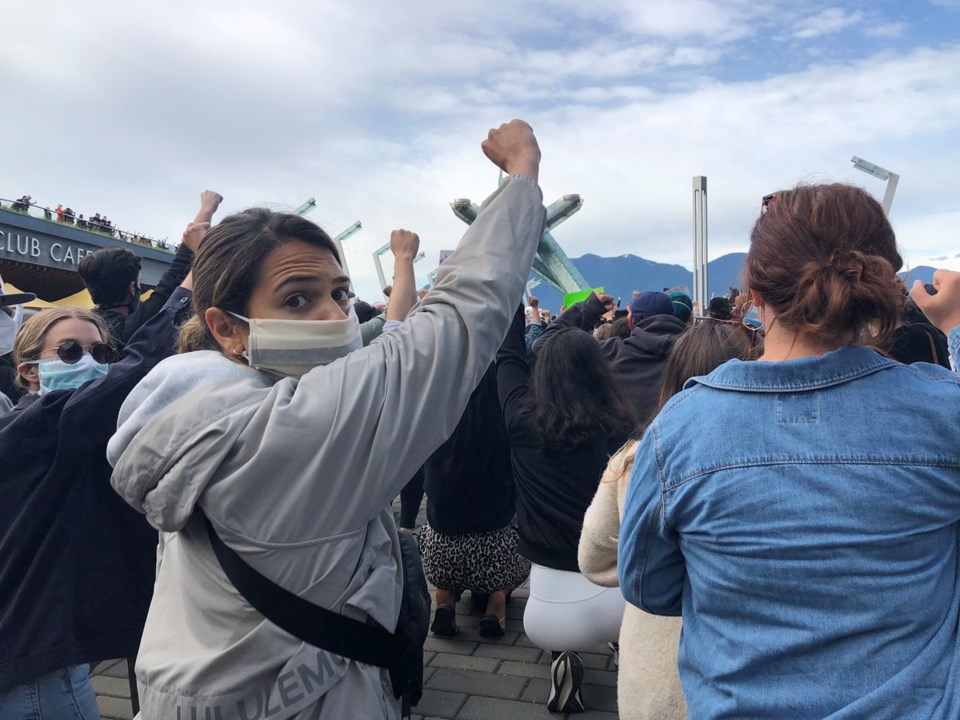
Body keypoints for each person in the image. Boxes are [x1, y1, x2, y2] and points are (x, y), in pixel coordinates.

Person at [105, 120, 545, 720]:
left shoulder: (190, 408)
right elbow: (455, 324)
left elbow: (397, 341)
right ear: (228, 327)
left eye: (339, 293)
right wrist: (520, 177)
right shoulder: (284, 434)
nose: (333, 315)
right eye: (296, 298)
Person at [619, 183, 960, 719]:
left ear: (753, 292)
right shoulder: (943, 416)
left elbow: (649, 587)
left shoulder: (681, 430)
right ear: (880, 286)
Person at [0, 268, 195, 717]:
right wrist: (189, 283)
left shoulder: (44, 428)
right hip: (38, 676)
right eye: (69, 351)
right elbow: (140, 365)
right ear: (30, 371)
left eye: (100, 351)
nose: (90, 361)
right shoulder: (47, 422)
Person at [579, 320, 754, 720]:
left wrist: (647, 575)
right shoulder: (770, 464)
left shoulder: (634, 459)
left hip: (653, 680)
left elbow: (592, 558)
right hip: (737, 681)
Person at [497, 296, 635, 713]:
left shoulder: (522, 420)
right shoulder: (623, 427)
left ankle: (565, 662)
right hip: (618, 593)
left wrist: (509, 296)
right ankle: (623, 649)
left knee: (562, 629)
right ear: (599, 371)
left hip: (548, 610)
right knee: (622, 621)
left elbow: (508, 354)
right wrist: (590, 313)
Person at [421, 363, 529, 638]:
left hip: (440, 556)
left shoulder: (435, 429)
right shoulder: (504, 428)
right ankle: (496, 602)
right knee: (518, 525)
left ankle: (445, 600)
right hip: (497, 555)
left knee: (437, 529)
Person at [79, 190, 222, 353]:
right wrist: (206, 210)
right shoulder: (141, 325)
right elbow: (176, 273)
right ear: (133, 287)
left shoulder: (81, 326)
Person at [537, 290, 685, 421]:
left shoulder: (607, 352)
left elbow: (544, 346)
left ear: (631, 321)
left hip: (621, 450)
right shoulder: (696, 355)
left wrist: (587, 308)